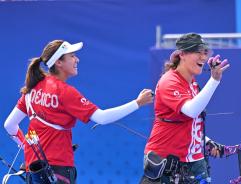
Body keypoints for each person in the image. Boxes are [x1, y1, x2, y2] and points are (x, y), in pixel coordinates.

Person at [3, 40, 154, 184]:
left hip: (34, 171)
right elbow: (102, 118)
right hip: (58, 170)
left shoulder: (32, 88)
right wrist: (138, 103)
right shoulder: (65, 92)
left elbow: (9, 125)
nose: (77, 59)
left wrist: (27, 147)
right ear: (59, 62)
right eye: (72, 56)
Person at [140, 33, 229, 183]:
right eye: (197, 52)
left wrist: (205, 141)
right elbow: (191, 111)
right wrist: (214, 80)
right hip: (166, 163)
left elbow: (191, 122)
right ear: (182, 54)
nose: (203, 57)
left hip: (193, 162)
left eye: (204, 53)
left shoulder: (193, 84)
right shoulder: (169, 81)